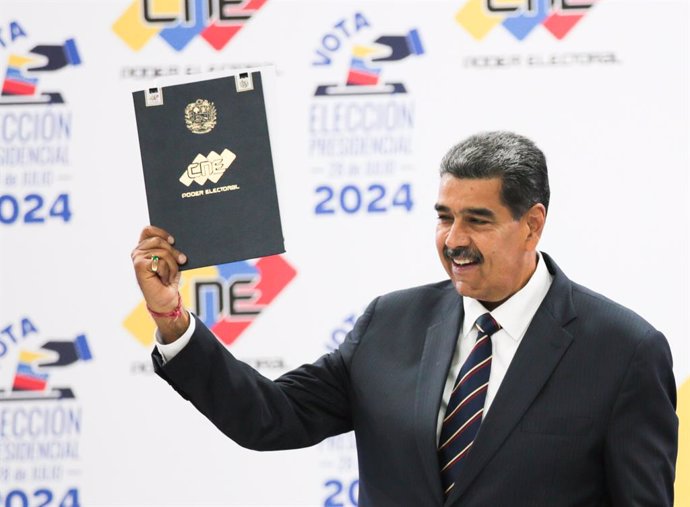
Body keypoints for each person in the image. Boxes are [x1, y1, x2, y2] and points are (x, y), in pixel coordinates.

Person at [131, 131, 678, 506]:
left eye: (478, 221)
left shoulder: (624, 352)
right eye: (444, 218)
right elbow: (270, 417)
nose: (454, 240)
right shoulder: (389, 324)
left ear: (532, 225)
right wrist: (172, 318)